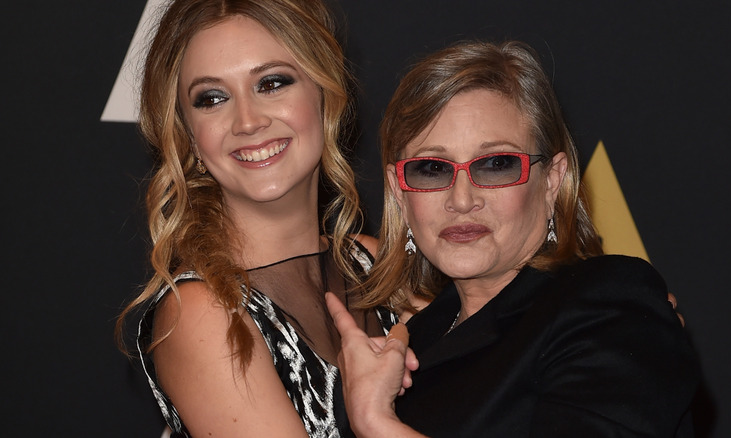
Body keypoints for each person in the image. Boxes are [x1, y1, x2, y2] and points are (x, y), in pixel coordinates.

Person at [328, 41, 700, 437]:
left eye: (496, 164)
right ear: (400, 192)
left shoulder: (607, 306)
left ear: (552, 181)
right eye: (432, 169)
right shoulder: (410, 344)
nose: (461, 200)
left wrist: (376, 423)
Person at [114, 1, 398, 436]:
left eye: (272, 83)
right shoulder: (205, 315)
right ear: (189, 136)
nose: (247, 121)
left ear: (324, 95)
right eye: (212, 98)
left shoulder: (376, 266)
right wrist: (375, 421)